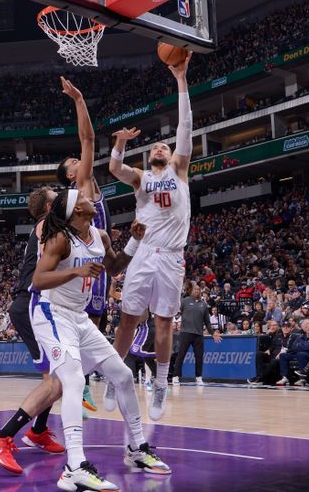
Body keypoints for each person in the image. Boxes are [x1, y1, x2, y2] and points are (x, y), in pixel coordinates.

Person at [31, 188, 168, 491]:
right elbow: (38, 281)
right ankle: (74, 468)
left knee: (122, 374)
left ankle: (137, 449)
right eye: (82, 198)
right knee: (74, 382)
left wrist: (135, 240)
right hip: (51, 312)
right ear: (75, 210)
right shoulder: (60, 238)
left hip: (78, 317)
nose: (90, 199)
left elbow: (114, 267)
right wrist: (76, 271)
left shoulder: (100, 235)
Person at [105, 52, 194, 421]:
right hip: (143, 254)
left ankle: (160, 385)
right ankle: (114, 376)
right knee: (128, 319)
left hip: (172, 256)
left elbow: (185, 126)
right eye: (155, 147)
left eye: (165, 146)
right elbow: (113, 168)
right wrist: (121, 142)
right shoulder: (142, 178)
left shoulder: (179, 171)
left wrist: (181, 79)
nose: (161, 147)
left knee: (162, 322)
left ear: (172, 155)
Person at [0, 187, 66, 476]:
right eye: (58, 197)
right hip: (32, 306)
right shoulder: (47, 225)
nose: (63, 198)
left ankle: (39, 431)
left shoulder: (49, 226)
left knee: (60, 376)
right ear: (48, 206)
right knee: (55, 380)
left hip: (38, 305)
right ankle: (2, 436)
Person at [55, 76, 108, 413]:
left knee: (95, 323)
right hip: (85, 261)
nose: (78, 160)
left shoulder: (85, 189)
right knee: (87, 324)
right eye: (72, 163)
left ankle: (81, 381)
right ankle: (78, 382)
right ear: (72, 177)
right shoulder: (84, 184)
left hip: (95, 258)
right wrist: (78, 98)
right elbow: (88, 137)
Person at [172, 281, 222, 386]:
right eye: (195, 289)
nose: (197, 291)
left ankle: (199, 378)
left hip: (198, 335)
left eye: (198, 290)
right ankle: (175, 377)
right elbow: (175, 312)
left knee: (199, 357)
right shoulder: (184, 301)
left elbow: (207, 322)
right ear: (191, 291)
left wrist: (213, 333)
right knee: (181, 355)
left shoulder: (203, 305)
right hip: (185, 333)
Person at [276, 319, 309, 386]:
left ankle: (302, 379)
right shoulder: (300, 337)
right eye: (307, 327)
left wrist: (302, 346)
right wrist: (306, 345)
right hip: (296, 353)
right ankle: (284, 377)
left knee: (301, 354)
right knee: (283, 355)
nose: (308, 329)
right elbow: (294, 347)